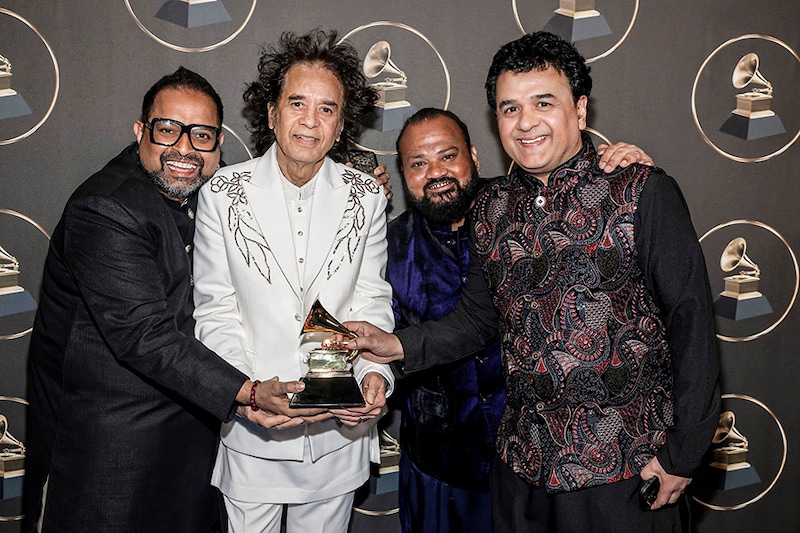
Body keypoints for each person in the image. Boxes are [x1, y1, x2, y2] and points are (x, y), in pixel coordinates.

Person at [348, 32, 721, 533]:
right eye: (509, 108)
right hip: (522, 472)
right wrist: (394, 344)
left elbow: (691, 323)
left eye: (543, 103)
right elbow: (478, 320)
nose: (525, 122)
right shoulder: (490, 209)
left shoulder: (642, 191)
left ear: (580, 108)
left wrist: (683, 451)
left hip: (625, 471)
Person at [22, 67, 311, 533]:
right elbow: (145, 335)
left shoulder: (204, 195)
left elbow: (278, 206)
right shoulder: (105, 209)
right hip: (108, 454)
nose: (184, 149)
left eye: (202, 136)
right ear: (141, 131)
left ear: (218, 144)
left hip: (188, 442)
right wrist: (248, 392)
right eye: (168, 129)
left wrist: (355, 188)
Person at [389, 107, 655, 533]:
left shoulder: (529, 208)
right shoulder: (385, 246)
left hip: (536, 461)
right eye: (418, 163)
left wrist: (622, 171)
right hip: (439, 468)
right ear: (402, 174)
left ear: (474, 156)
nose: (435, 172)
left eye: (447, 156)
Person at [191, 30, 395, 533]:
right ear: (271, 112)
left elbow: (371, 299)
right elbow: (215, 310)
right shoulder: (222, 192)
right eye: (297, 103)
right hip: (255, 432)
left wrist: (375, 376)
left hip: (338, 435)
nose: (310, 120)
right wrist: (247, 392)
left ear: (342, 123)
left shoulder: (366, 195)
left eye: (327, 109)